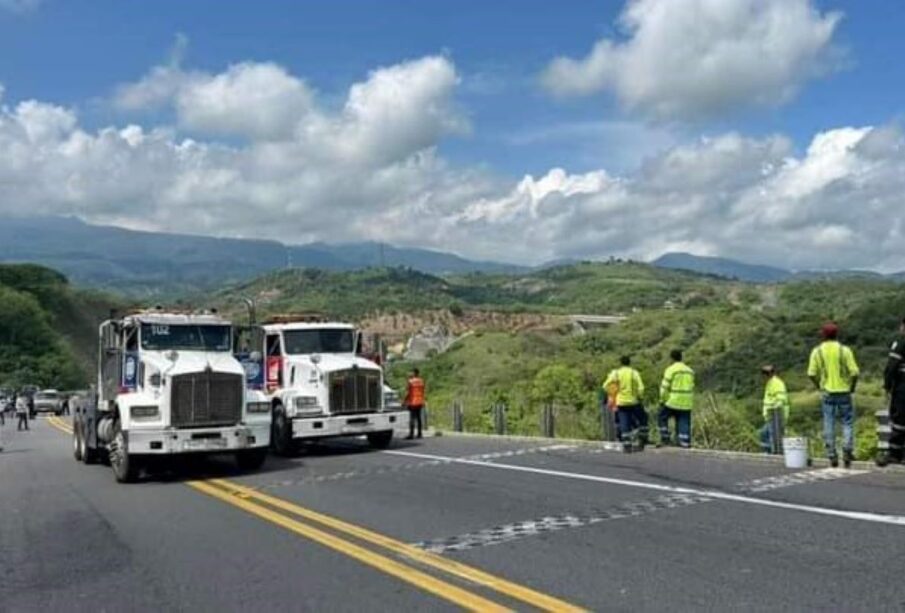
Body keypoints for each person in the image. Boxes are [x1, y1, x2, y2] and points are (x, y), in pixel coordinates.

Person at [807, 322, 859, 468]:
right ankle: (847, 451)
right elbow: (855, 372)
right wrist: (852, 387)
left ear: (823, 335)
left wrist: (819, 387)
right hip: (844, 391)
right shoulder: (845, 350)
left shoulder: (817, 351)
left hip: (827, 392)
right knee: (847, 422)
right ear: (837, 334)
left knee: (829, 422)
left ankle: (832, 455)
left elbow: (811, 373)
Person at [603, 356, 648, 452]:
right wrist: (639, 396)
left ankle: (627, 445)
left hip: (621, 402)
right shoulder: (634, 373)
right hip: (633, 401)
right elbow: (641, 388)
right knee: (643, 418)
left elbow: (605, 385)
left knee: (624, 422)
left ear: (621, 363)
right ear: (629, 363)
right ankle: (643, 438)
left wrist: (613, 392)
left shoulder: (616, 373)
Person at [878, 317, 905, 466]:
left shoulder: (901, 343)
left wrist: (887, 386)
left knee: (899, 420)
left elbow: (891, 367)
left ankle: (895, 454)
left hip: (903, 388)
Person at [658, 350, 695, 448]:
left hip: (673, 400)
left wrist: (663, 400)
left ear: (671, 358)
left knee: (662, 417)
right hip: (687, 401)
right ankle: (684, 441)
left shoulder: (670, 370)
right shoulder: (690, 371)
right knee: (684, 420)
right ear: (681, 357)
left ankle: (665, 438)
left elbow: (664, 387)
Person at [759, 365, 790, 454]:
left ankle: (773, 453)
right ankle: (771, 452)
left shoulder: (776, 383)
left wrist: (775, 410)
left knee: (773, 436)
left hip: (775, 415)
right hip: (771, 415)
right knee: (765, 434)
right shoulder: (771, 383)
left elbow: (780, 399)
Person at [405, 368, 425, 440]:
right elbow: (423, 391)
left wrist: (404, 401)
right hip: (420, 401)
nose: (410, 374)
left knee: (412, 418)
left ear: (414, 373)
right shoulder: (421, 381)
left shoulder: (410, 381)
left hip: (413, 401)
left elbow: (408, 392)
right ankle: (419, 433)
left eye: (411, 372)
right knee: (419, 418)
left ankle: (411, 434)